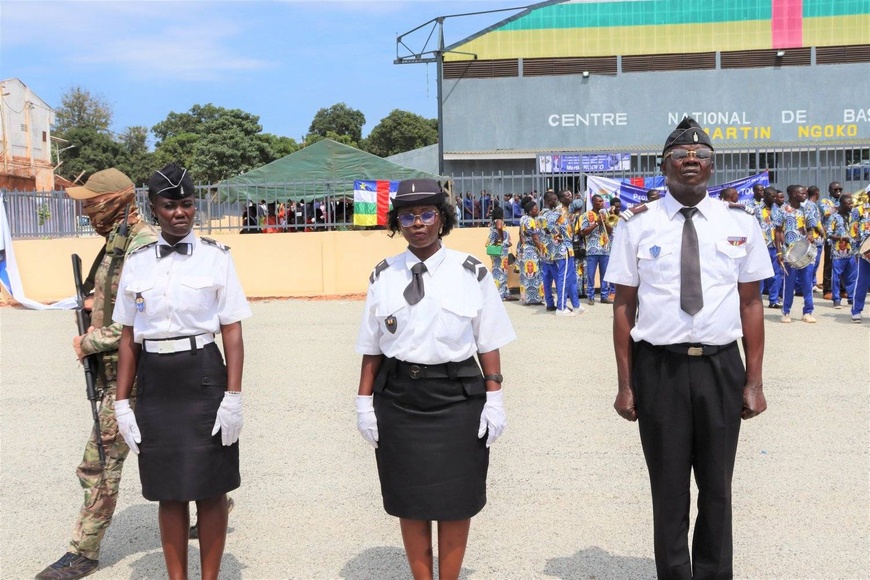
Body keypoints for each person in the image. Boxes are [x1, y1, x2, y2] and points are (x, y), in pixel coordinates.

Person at [606, 117, 772, 579]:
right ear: (665, 165)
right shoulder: (637, 226)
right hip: (659, 368)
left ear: (712, 167)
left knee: (718, 487)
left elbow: (752, 302)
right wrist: (625, 383)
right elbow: (623, 306)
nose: (692, 161)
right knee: (669, 487)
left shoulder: (739, 223)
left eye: (701, 156)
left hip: (721, 367)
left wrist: (754, 380)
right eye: (682, 155)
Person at [354, 179, 515, 580]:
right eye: (407, 216)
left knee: (457, 499)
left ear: (442, 218)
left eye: (427, 213)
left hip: (458, 397)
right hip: (399, 398)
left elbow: (488, 340)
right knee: (409, 499)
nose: (418, 223)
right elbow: (372, 347)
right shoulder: (383, 275)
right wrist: (363, 403)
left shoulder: (471, 271)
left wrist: (494, 397)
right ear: (398, 222)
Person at [113, 163, 252, 580]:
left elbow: (232, 331)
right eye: (170, 205)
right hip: (156, 381)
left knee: (212, 488)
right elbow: (127, 337)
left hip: (203, 374)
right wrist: (122, 402)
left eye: (187, 204)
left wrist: (233, 395)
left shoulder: (216, 258)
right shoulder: (136, 263)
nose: (180, 213)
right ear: (154, 209)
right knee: (167, 491)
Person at [36, 169, 159, 580]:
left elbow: (144, 321)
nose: (86, 210)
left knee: (99, 463)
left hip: (134, 375)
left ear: (113, 202)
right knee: (164, 451)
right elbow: (120, 299)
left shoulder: (142, 247)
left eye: (91, 202)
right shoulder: (117, 241)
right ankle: (210, 498)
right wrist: (95, 304)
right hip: (118, 371)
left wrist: (92, 340)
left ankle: (83, 553)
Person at [774, 184, 819, 323]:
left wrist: (811, 234)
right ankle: (786, 312)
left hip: (806, 252)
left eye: (805, 193)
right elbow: (778, 232)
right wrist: (779, 252)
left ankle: (808, 312)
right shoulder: (782, 210)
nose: (805, 195)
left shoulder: (807, 209)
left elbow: (811, 227)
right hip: (789, 252)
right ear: (793, 194)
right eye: (802, 193)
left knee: (807, 283)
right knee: (789, 284)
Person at [580, 194, 614, 305]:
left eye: (602, 201)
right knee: (591, 274)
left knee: (605, 274)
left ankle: (604, 296)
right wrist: (597, 223)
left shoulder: (606, 213)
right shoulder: (586, 215)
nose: (601, 203)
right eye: (599, 201)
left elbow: (610, 231)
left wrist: (605, 222)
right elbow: (583, 232)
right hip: (592, 250)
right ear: (593, 202)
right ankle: (590, 296)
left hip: (604, 249)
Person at [827, 193, 857, 310]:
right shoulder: (834, 217)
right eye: (848, 203)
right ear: (842, 204)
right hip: (838, 252)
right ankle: (836, 299)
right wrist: (841, 238)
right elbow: (829, 234)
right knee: (836, 276)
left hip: (852, 252)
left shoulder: (853, 217)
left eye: (851, 203)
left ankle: (851, 298)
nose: (851, 205)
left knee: (852, 276)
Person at [756, 186, 783, 309]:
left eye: (776, 196)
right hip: (760, 246)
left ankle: (773, 300)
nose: (775, 198)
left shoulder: (778, 210)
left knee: (775, 273)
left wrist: (780, 249)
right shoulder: (756, 209)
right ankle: (757, 300)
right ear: (765, 196)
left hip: (774, 246)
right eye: (772, 196)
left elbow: (779, 229)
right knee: (760, 274)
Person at [518, 197, 546, 305]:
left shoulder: (523, 219)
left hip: (524, 249)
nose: (537, 210)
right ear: (530, 211)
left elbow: (520, 234)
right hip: (531, 251)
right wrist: (542, 250)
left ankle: (526, 298)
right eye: (535, 209)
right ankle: (534, 298)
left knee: (526, 274)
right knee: (534, 274)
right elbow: (535, 238)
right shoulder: (530, 221)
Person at [486, 206, 516, 301]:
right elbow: (499, 227)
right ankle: (500, 294)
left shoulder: (492, 222)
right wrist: (503, 238)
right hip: (500, 250)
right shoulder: (499, 221)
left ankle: (504, 292)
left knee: (497, 270)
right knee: (501, 271)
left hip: (495, 249)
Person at [821, 181, 844, 299]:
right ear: (830, 190)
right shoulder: (825, 201)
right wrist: (841, 206)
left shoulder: (842, 201)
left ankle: (842, 289)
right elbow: (826, 212)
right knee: (829, 264)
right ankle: (827, 290)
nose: (838, 191)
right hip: (830, 238)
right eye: (835, 189)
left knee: (843, 264)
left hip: (843, 238)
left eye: (840, 189)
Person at [850, 189, 870, 323]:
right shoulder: (859, 210)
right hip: (866, 252)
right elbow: (853, 231)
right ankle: (856, 310)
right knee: (862, 281)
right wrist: (857, 250)